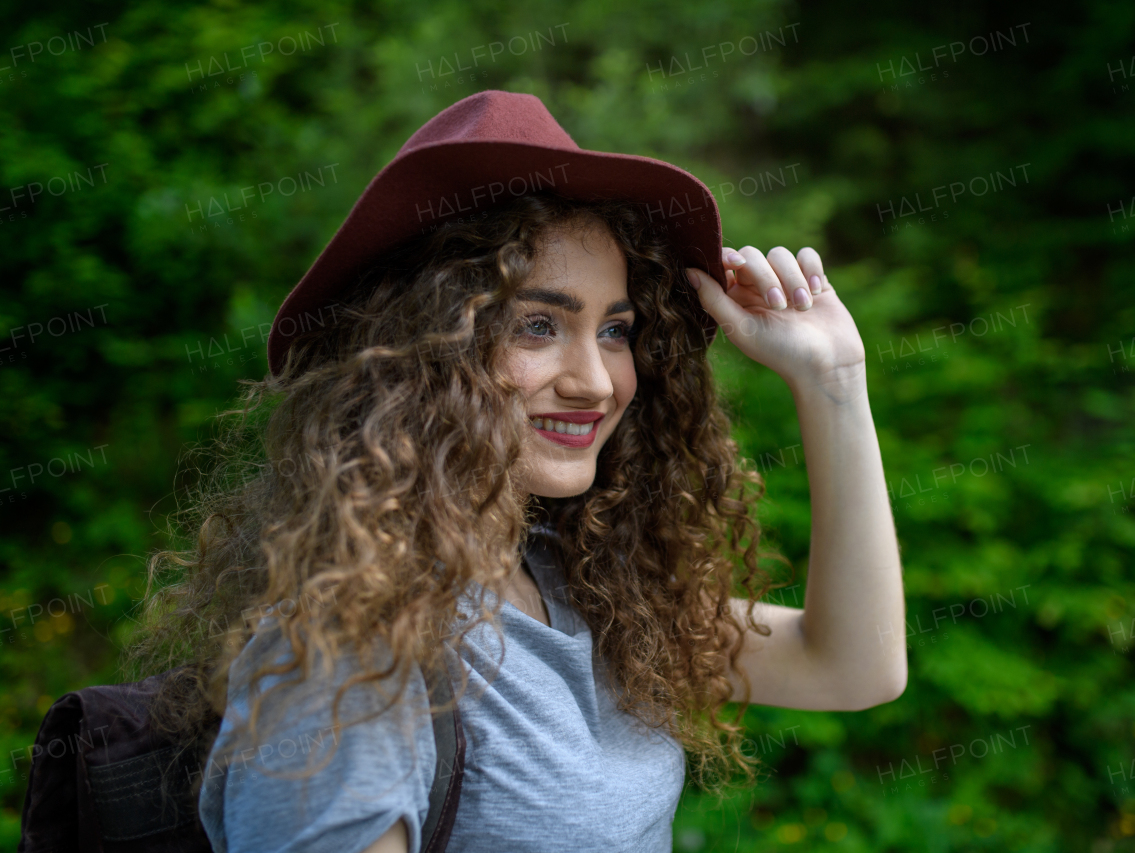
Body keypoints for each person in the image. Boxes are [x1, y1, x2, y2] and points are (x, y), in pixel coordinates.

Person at [126, 90, 907, 853]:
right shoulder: (344, 651)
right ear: (418, 353)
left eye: (614, 330)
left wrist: (834, 382)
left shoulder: (583, 585)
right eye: (539, 325)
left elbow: (852, 666)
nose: (597, 381)